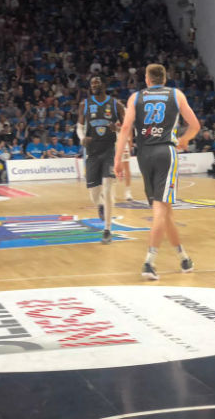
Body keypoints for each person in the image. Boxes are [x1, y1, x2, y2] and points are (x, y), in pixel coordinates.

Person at [114, 63, 201, 280]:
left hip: (144, 155)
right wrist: (184, 140)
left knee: (165, 211)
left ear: (147, 79)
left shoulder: (135, 97)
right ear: (164, 78)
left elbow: (125, 128)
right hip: (165, 152)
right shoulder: (176, 95)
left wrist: (117, 158)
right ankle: (149, 262)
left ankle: (183, 258)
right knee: (161, 210)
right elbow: (195, 125)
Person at [78, 76, 124, 244]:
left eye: (97, 83)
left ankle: (107, 230)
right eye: (92, 84)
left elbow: (127, 128)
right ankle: (100, 205)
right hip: (92, 152)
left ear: (104, 85)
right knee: (94, 193)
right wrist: (82, 138)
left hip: (109, 151)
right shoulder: (84, 104)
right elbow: (79, 127)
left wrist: (117, 129)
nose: (94, 85)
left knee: (108, 187)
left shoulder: (115, 104)